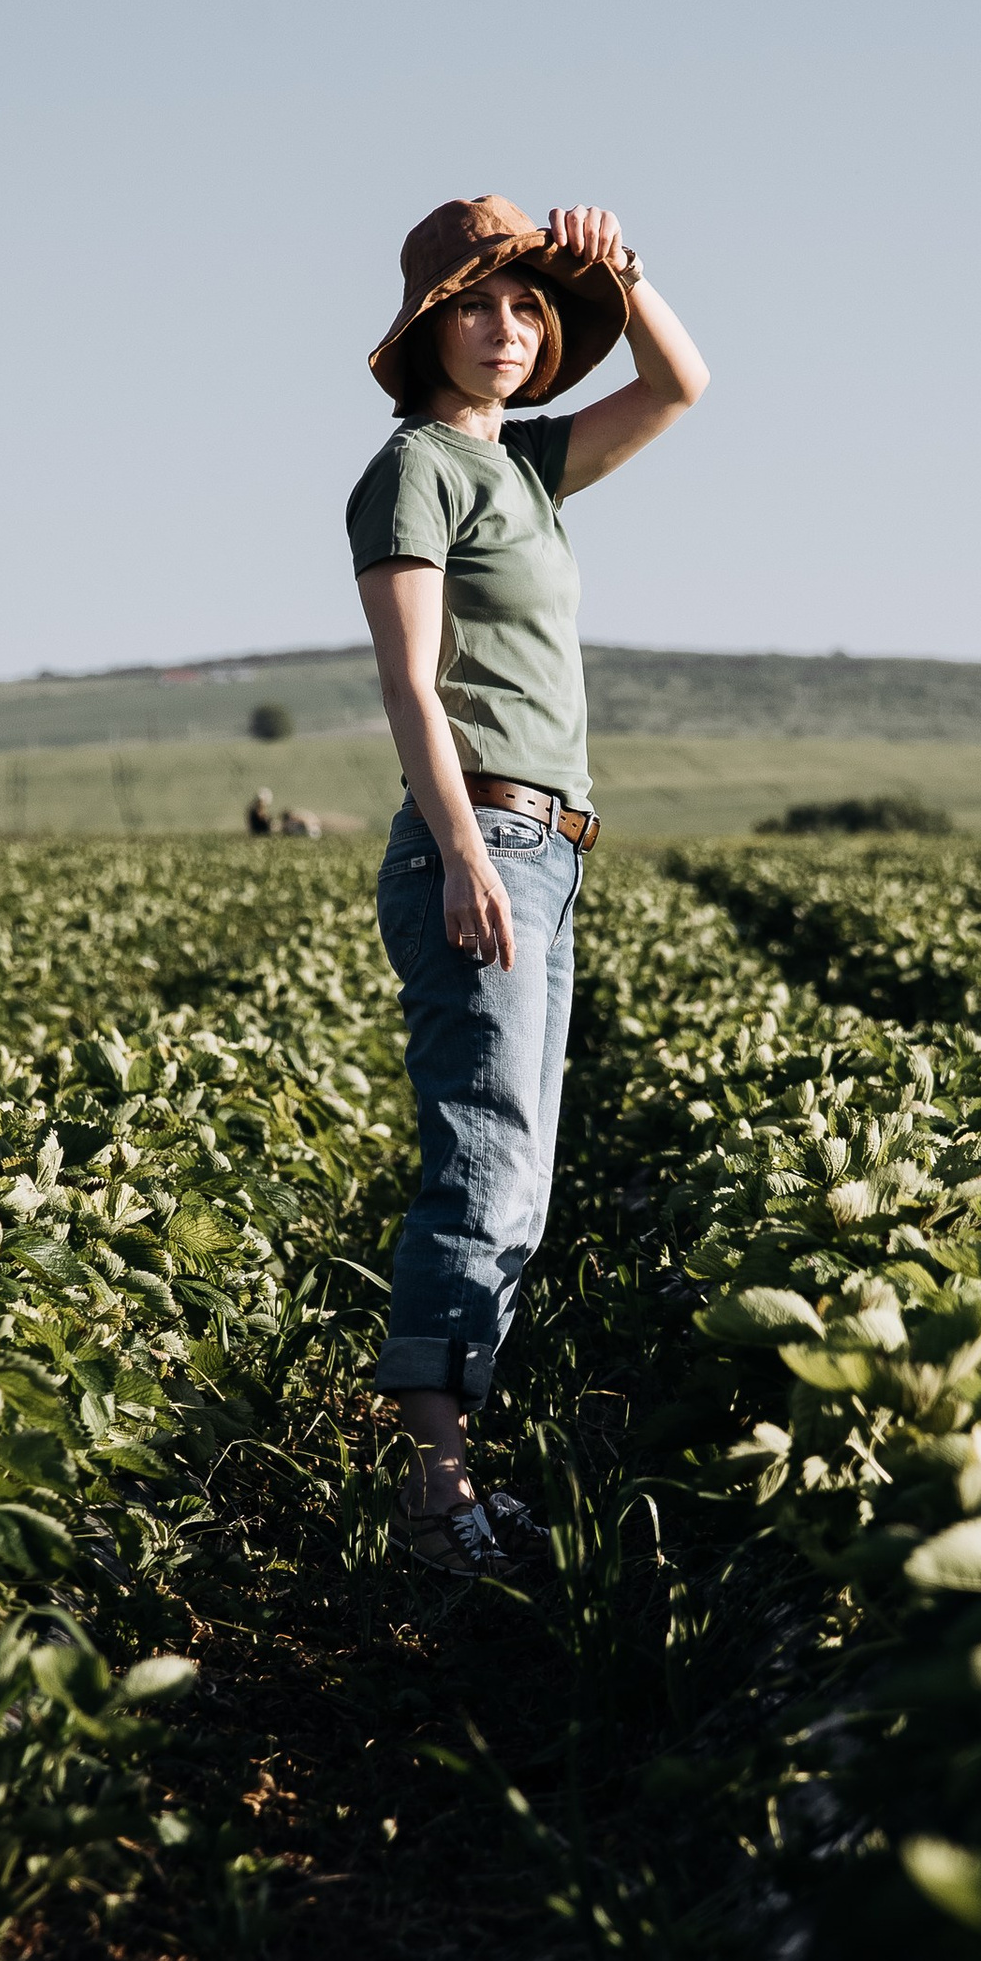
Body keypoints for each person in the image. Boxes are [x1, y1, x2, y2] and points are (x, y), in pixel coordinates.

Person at [349, 195, 708, 1573]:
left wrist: (628, 267)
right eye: (479, 305)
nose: (508, 329)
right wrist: (453, 849)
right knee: (484, 1161)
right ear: (429, 327)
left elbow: (681, 386)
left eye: (530, 308)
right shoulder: (416, 471)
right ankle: (437, 1507)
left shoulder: (535, 469)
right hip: (483, 839)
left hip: (549, 846)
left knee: (525, 1177)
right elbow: (409, 681)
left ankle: (456, 1488)